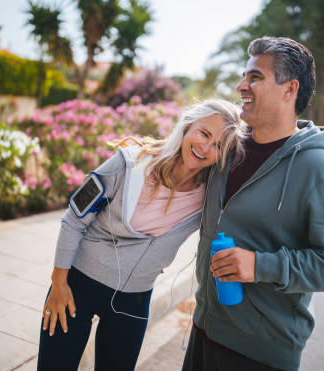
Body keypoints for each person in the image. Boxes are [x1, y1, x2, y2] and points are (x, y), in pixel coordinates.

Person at [182, 37, 324, 371]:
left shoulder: (321, 170)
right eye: (244, 76)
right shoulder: (226, 150)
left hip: (260, 352)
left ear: (289, 88)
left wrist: (262, 265)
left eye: (255, 77)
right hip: (203, 330)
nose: (241, 86)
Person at [37, 99, 247, 371]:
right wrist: (58, 282)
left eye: (219, 145)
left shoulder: (208, 197)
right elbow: (74, 219)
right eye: (204, 133)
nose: (206, 147)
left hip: (133, 301)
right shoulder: (128, 164)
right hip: (77, 285)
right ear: (187, 126)